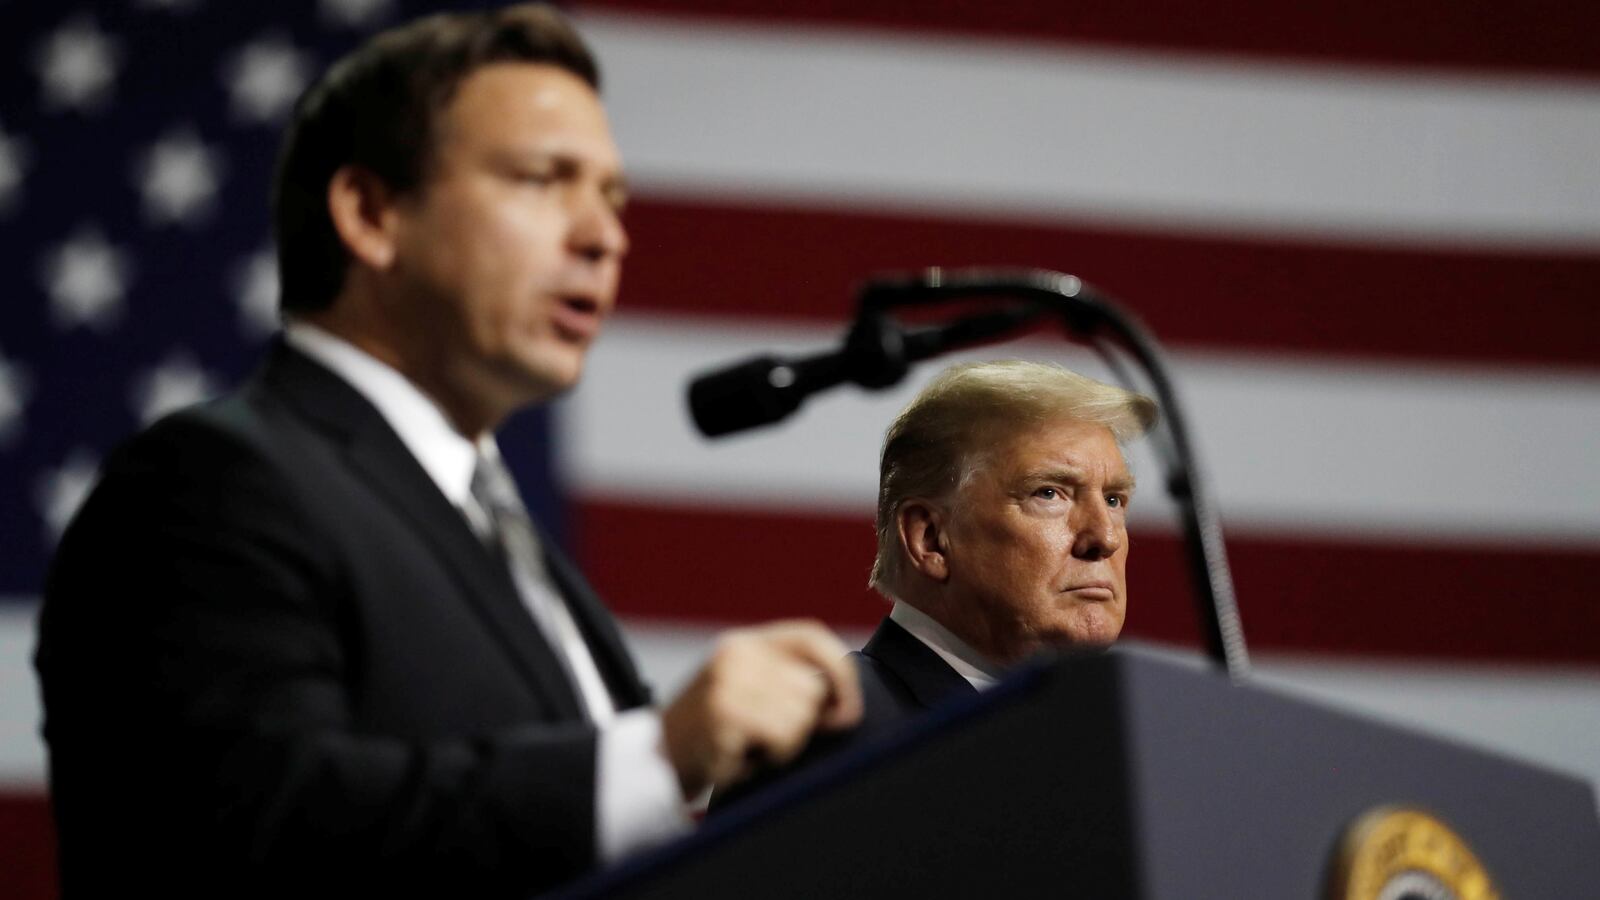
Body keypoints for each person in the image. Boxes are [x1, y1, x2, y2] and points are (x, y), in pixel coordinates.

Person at [33, 6, 859, 898]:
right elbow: (239, 831)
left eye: (612, 197)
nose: (604, 237)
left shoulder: (492, 524)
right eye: (542, 179)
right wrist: (659, 757)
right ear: (372, 213)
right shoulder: (208, 485)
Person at [717, 359, 1156, 807]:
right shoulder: (820, 741)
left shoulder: (1119, 749)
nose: (1105, 537)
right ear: (930, 540)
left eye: (1114, 499)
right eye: (1049, 493)